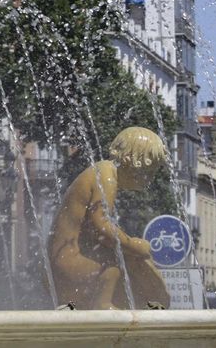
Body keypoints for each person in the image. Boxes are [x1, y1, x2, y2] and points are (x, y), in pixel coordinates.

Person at [47, 126, 173, 309]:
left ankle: (149, 304)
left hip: (64, 260)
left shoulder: (104, 172)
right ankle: (103, 306)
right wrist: (133, 245)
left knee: (130, 260)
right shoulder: (106, 175)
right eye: (150, 169)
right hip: (66, 262)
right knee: (116, 265)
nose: (151, 178)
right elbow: (101, 229)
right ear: (134, 161)